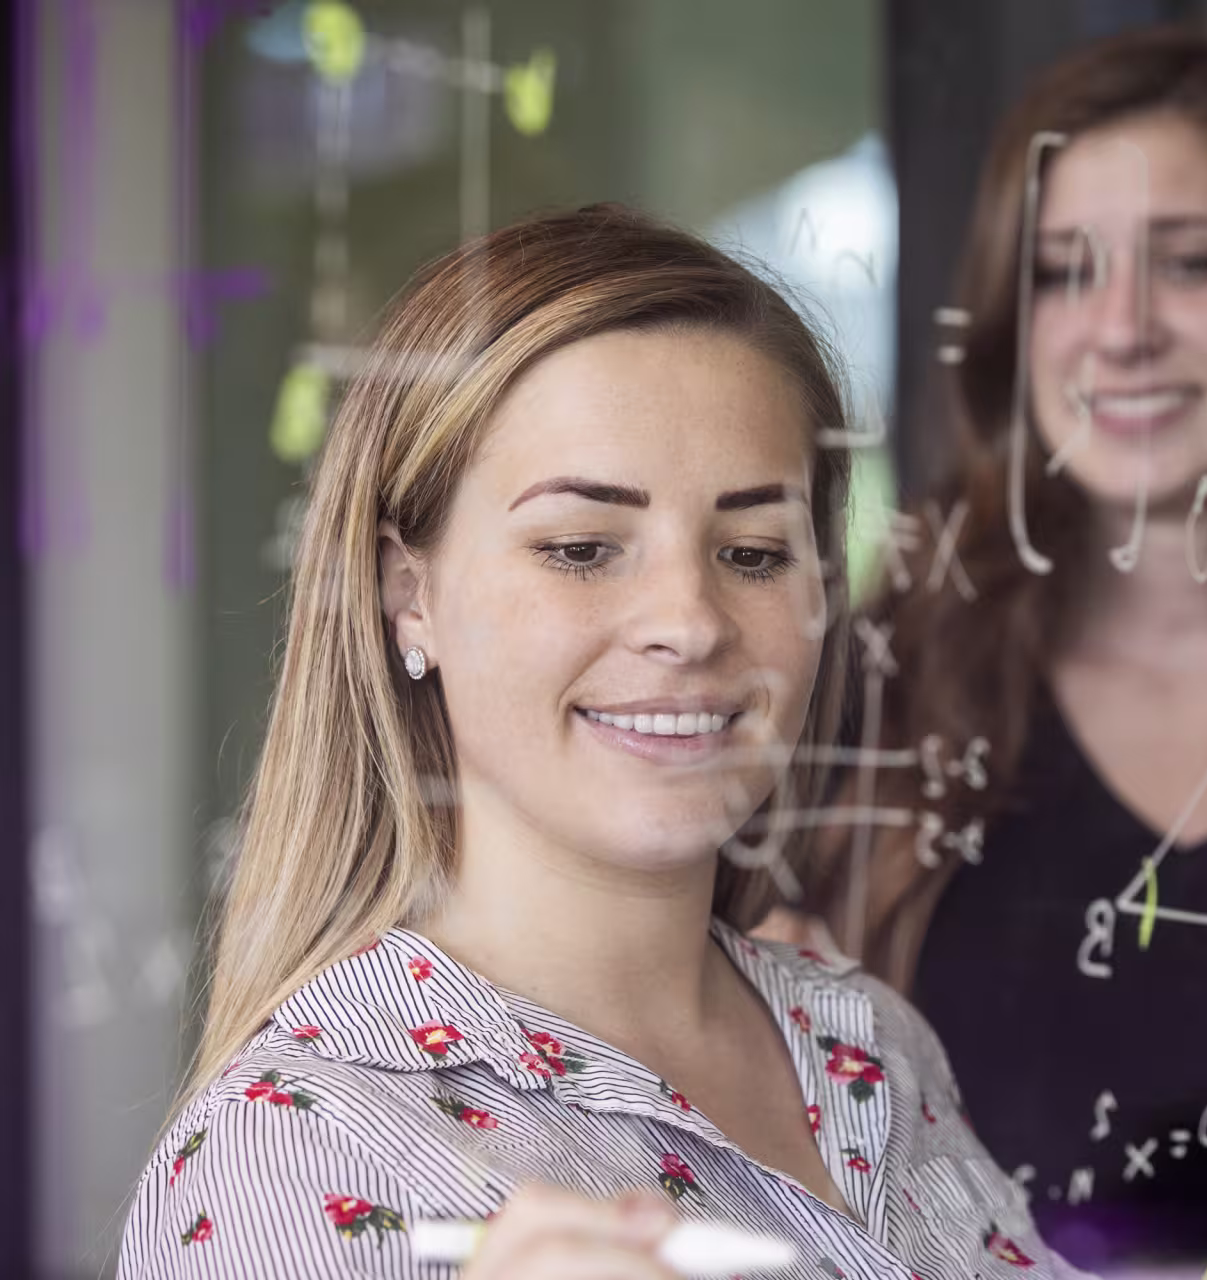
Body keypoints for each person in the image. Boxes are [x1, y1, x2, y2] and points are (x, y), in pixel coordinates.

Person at [117, 206, 1084, 1280]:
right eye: (581, 548)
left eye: (755, 552)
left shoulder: (871, 1047)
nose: (691, 619)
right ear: (408, 594)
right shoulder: (289, 1155)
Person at [796, 26, 1207, 1271]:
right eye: (1065, 271)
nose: (1120, 330)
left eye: (1194, 262)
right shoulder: (876, 697)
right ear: (1014, 320)